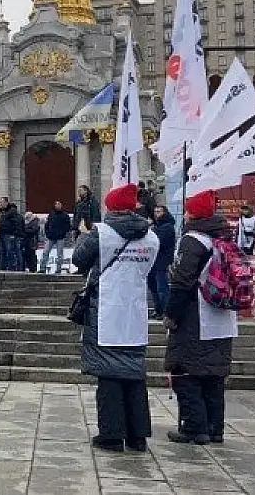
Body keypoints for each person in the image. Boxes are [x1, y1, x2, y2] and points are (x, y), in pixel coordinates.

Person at [73, 184, 160, 453]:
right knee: (134, 373)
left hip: (106, 308)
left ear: (110, 206)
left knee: (108, 373)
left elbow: (79, 259)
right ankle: (138, 435)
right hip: (134, 309)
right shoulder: (151, 237)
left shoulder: (102, 232)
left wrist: (83, 236)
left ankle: (111, 433)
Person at [164, 190, 235, 445]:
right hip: (223, 315)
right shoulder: (224, 236)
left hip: (196, 314)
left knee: (186, 372)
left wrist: (171, 313)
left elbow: (182, 281)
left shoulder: (193, 240)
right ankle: (215, 428)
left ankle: (194, 428)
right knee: (214, 375)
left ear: (192, 212)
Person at [149, 205, 177, 321]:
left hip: (162, 261)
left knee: (162, 287)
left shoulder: (167, 227)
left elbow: (158, 242)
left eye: (159, 211)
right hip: (153, 261)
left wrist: (152, 233)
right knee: (153, 287)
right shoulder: (156, 226)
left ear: (165, 212)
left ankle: (165, 311)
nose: (156, 214)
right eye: (155, 211)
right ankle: (158, 309)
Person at [40, 200, 71, 274]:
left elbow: (68, 226)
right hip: (51, 237)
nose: (58, 205)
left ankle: (58, 269)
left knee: (59, 254)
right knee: (45, 252)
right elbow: (47, 225)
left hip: (60, 237)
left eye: (59, 204)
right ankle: (42, 268)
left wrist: (63, 233)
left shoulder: (65, 215)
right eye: (56, 204)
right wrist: (47, 233)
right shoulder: (51, 214)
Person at [0, 202, 24, 272]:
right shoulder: (5, 214)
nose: (1, 204)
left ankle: (12, 267)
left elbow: (18, 225)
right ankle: (9, 266)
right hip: (6, 234)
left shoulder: (10, 215)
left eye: (2, 202)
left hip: (10, 235)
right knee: (8, 251)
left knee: (11, 251)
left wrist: (14, 234)